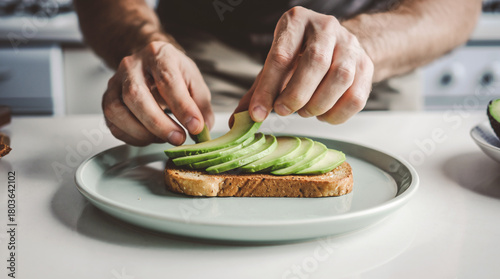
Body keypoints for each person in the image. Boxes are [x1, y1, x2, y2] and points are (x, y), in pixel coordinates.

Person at [74, 0, 482, 146]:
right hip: (198, 55)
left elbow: (456, 8)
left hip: (375, 57)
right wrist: (141, 40)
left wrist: (359, 46)